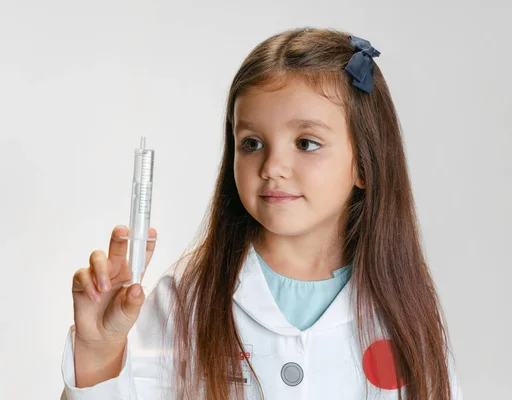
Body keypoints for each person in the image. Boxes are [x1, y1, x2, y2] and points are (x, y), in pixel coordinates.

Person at [61, 27, 464, 400]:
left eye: (306, 143)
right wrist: (98, 351)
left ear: (364, 164)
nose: (272, 166)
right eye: (251, 143)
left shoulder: (402, 306)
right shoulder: (187, 297)